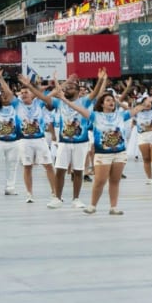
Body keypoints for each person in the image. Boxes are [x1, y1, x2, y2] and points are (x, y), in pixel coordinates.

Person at [68, 74, 130, 215]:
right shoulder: (95, 115)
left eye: (112, 100)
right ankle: (92, 205)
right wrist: (65, 100)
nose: (111, 102)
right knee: (100, 180)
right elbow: (78, 109)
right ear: (102, 104)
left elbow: (134, 110)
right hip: (102, 154)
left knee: (115, 181)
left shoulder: (120, 115)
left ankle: (113, 207)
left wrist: (121, 103)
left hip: (120, 153)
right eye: (108, 100)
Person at [44, 79, 93, 209]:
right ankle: (57, 198)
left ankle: (76, 199)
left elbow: (97, 92)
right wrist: (61, 85)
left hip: (81, 142)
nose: (67, 90)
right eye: (66, 88)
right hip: (64, 142)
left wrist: (102, 81)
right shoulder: (59, 102)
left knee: (78, 171)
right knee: (60, 170)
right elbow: (45, 98)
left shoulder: (84, 101)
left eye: (71, 88)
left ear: (78, 91)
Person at [132, 86, 152, 185]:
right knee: (146, 159)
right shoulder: (137, 113)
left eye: (149, 102)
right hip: (143, 137)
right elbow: (127, 109)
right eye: (146, 102)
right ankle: (149, 178)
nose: (148, 104)